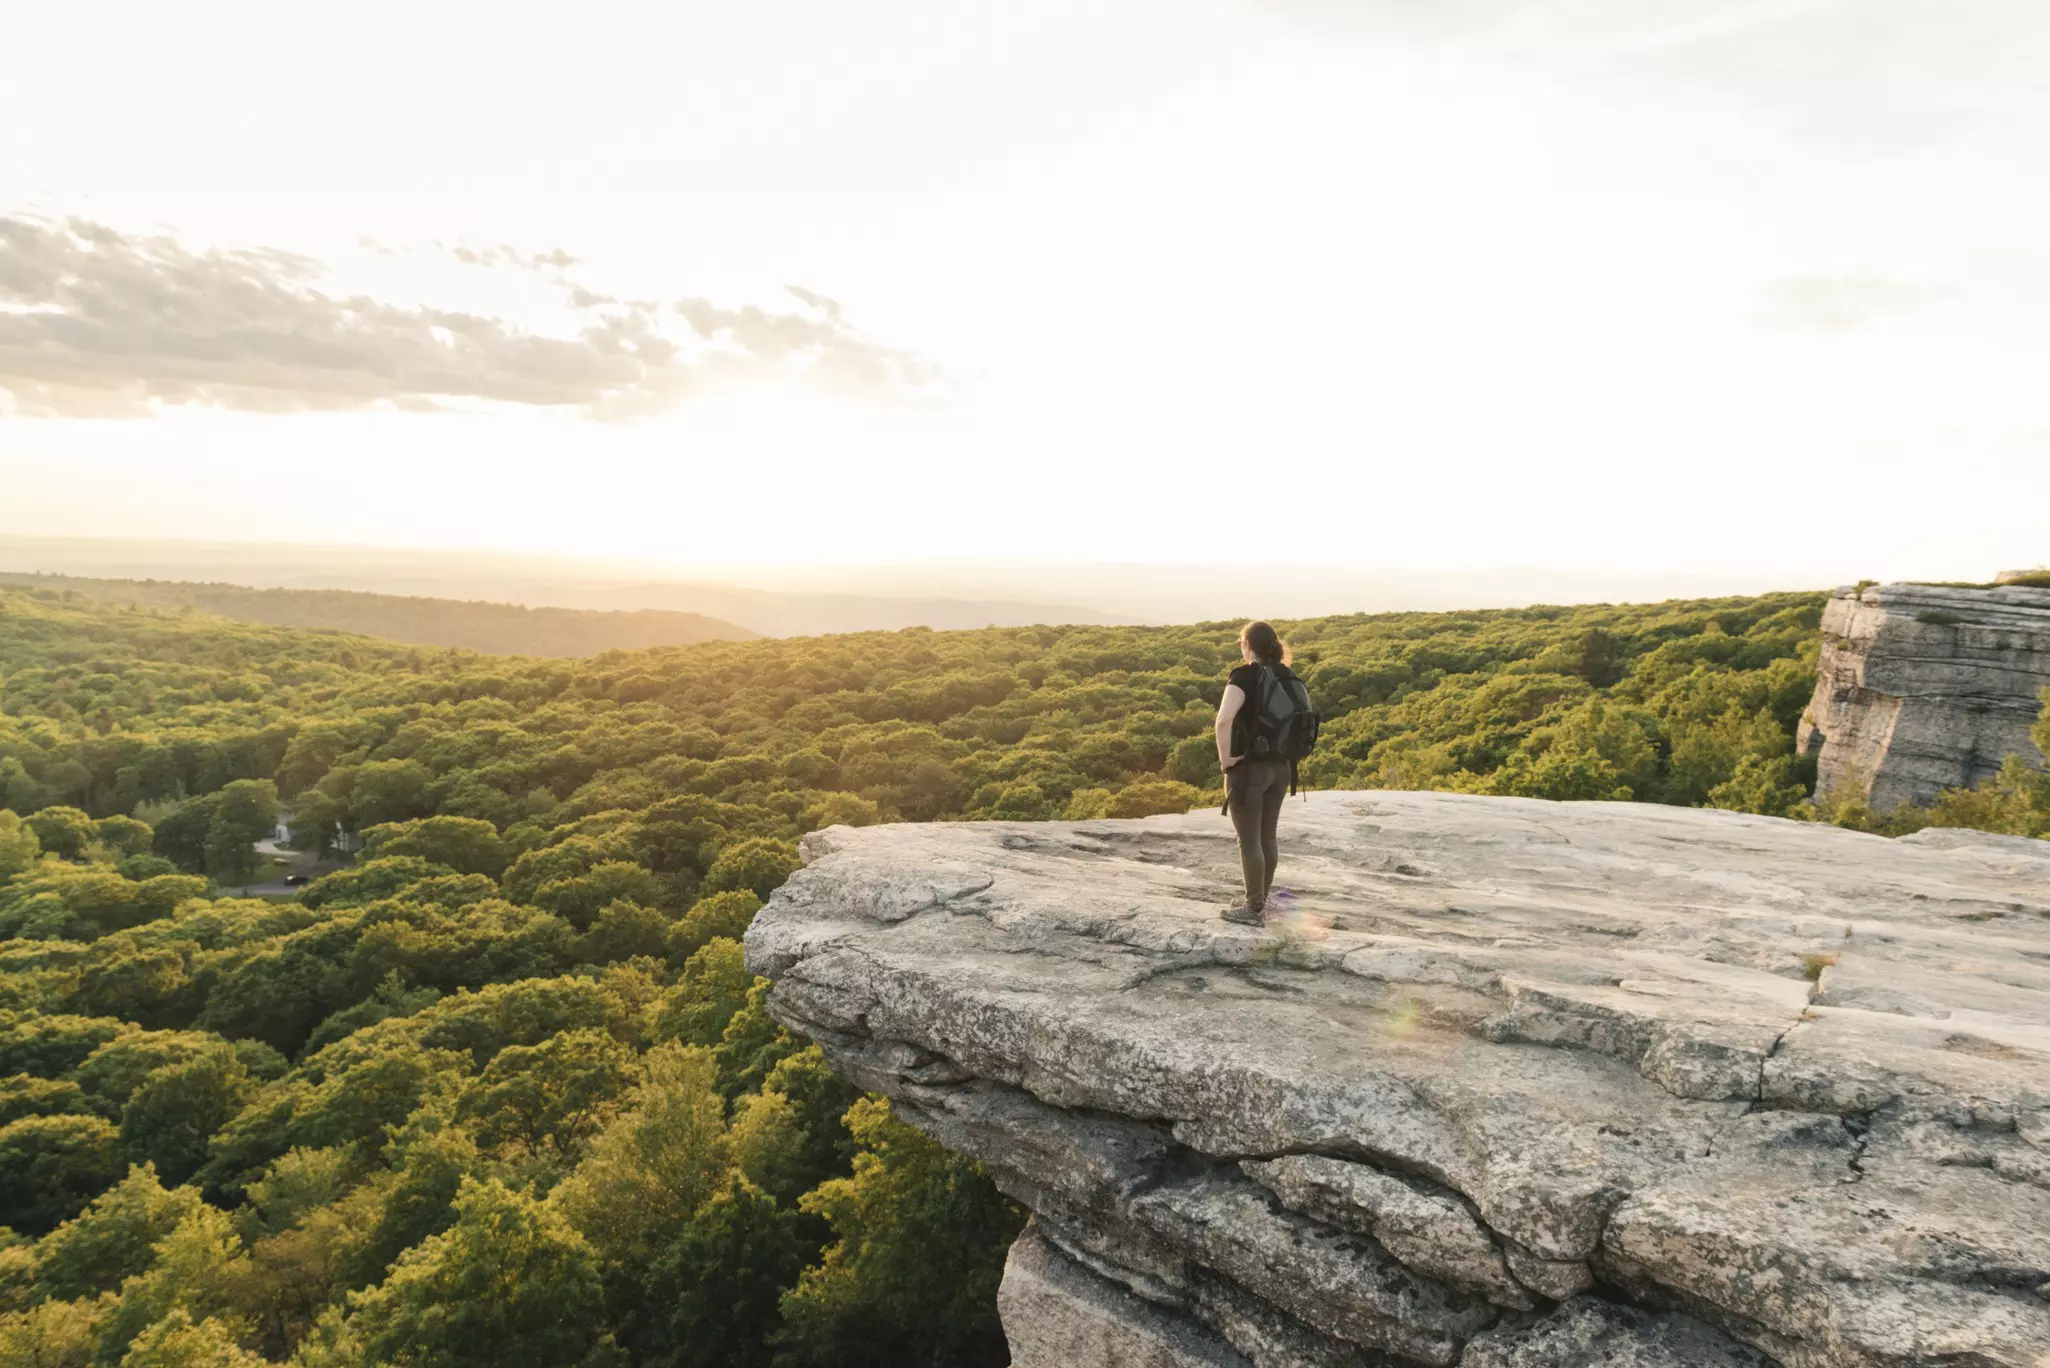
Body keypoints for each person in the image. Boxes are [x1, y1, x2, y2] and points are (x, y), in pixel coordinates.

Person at [1215, 620, 1297, 925]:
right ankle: (1260, 899)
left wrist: (1226, 761)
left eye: (1240, 642)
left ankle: (1253, 908)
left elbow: (1223, 721)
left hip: (1249, 769)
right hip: (1282, 768)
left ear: (1247, 644)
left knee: (1248, 840)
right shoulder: (1288, 675)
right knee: (1268, 838)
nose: (1241, 647)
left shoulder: (1244, 676)